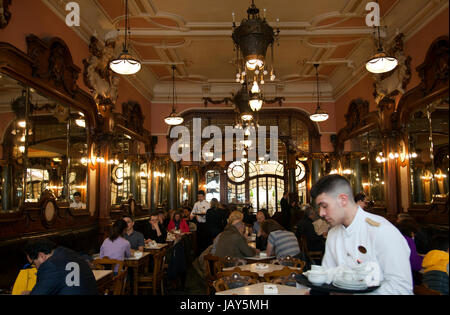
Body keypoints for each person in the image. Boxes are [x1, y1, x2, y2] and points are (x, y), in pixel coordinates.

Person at [311, 174, 413, 295]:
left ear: (343, 200)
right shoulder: (333, 234)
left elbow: (401, 288)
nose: (321, 213)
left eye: (324, 206)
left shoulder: (382, 231)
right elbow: (328, 276)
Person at [23, 239, 98, 295]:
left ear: (41, 256)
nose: (36, 268)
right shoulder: (68, 253)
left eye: (33, 264)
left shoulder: (50, 266)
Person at [396, 220, 423, 285]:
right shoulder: (408, 240)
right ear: (411, 232)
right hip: (402, 279)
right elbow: (416, 265)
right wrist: (423, 258)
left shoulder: (395, 237)